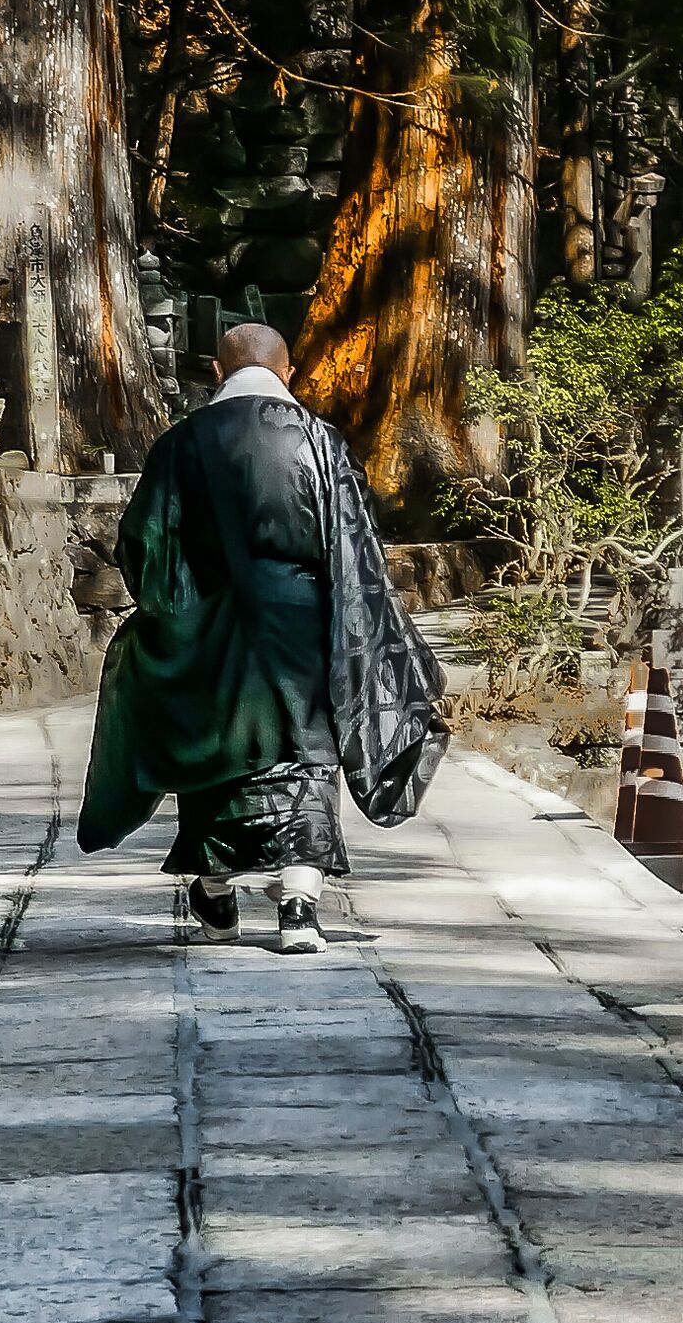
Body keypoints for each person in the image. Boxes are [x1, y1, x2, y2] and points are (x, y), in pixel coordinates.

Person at [77, 320, 447, 949]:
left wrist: (172, 614)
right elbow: (356, 552)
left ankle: (217, 896)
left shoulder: (179, 445)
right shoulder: (320, 443)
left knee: (216, 759)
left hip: (204, 628)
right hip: (299, 626)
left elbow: (141, 544)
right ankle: (299, 907)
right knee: (305, 755)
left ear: (217, 373)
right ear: (288, 375)